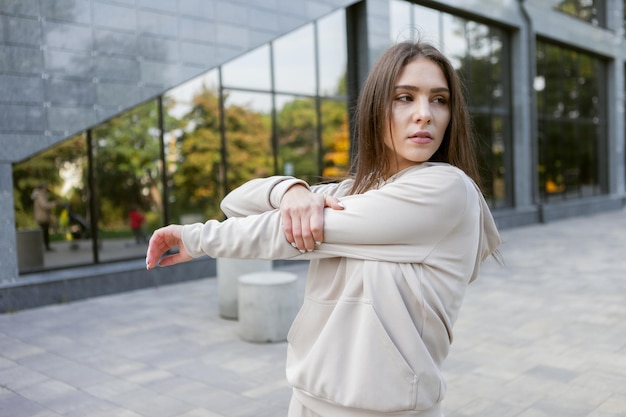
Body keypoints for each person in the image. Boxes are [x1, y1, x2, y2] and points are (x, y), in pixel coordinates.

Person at [146, 40, 501, 417]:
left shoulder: (445, 190)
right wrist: (290, 190)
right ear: (375, 109)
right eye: (404, 97)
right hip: (308, 401)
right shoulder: (353, 191)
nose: (424, 114)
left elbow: (285, 233)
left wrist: (194, 238)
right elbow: (235, 202)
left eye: (439, 100)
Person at [31, 183, 57, 252]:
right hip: (42, 217)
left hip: (43, 217)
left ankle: (46, 246)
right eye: (45, 188)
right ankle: (45, 247)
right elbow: (44, 206)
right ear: (41, 188)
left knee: (45, 232)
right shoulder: (39, 196)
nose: (46, 190)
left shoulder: (40, 196)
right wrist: (54, 203)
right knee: (43, 232)